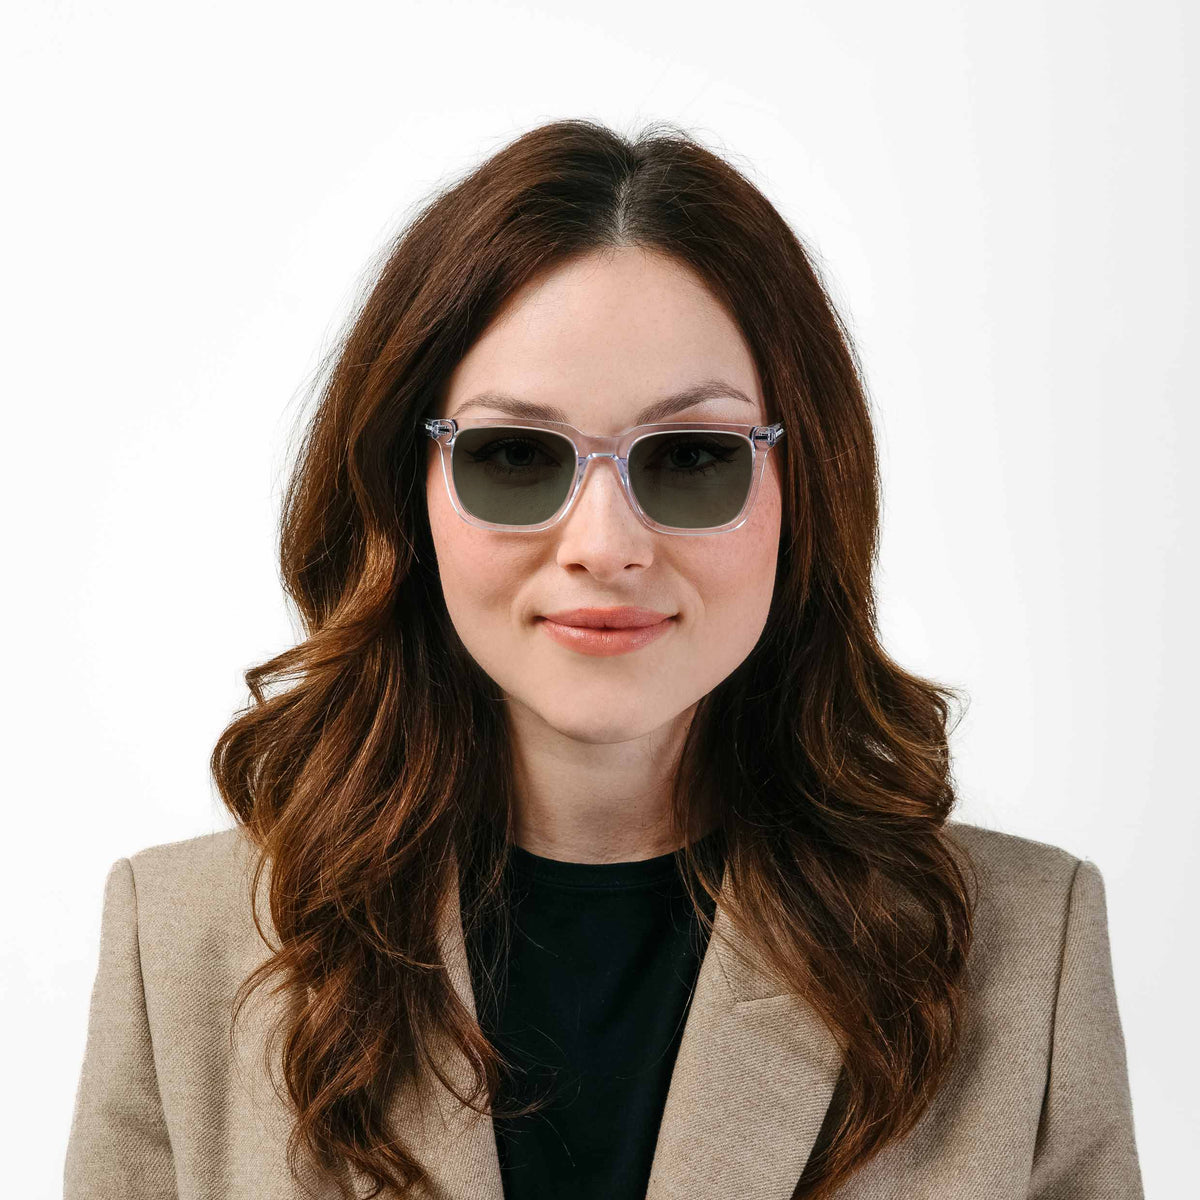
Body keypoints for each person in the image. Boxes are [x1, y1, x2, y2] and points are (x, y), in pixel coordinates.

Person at [64, 118, 1144, 1200]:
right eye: (516, 457)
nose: (605, 546)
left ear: (803, 489)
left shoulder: (1019, 954)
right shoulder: (187, 947)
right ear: (410, 493)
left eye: (689, 459)